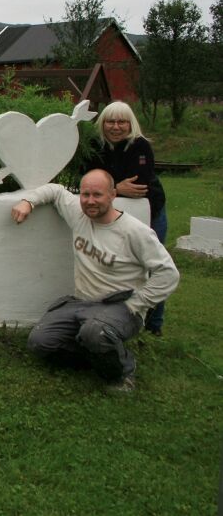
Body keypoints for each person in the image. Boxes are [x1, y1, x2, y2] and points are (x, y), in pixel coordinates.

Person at [11, 169, 179, 392]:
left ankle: (122, 374)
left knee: (95, 332)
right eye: (85, 195)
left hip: (119, 307)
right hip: (82, 302)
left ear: (112, 195)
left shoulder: (135, 232)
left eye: (97, 195)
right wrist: (28, 202)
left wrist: (136, 304)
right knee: (40, 342)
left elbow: (168, 274)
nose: (90, 201)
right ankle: (98, 356)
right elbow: (57, 191)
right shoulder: (79, 215)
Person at [82, 101, 169, 335]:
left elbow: (139, 184)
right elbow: (89, 179)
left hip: (152, 214)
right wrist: (117, 188)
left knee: (153, 267)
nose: (116, 127)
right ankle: (126, 317)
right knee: (124, 266)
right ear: (102, 123)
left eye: (122, 121)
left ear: (131, 124)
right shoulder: (94, 146)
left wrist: (109, 187)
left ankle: (154, 326)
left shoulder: (140, 146)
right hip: (115, 218)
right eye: (110, 121)